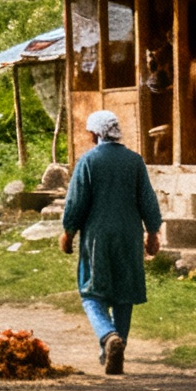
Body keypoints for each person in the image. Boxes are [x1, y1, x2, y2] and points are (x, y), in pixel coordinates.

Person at [63, 109, 165, 375]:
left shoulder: (88, 161)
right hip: (129, 236)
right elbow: (147, 199)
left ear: (96, 134)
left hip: (98, 236)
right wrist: (153, 231)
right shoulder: (134, 161)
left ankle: (108, 336)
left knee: (92, 293)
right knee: (124, 293)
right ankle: (117, 346)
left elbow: (76, 201)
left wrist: (68, 231)